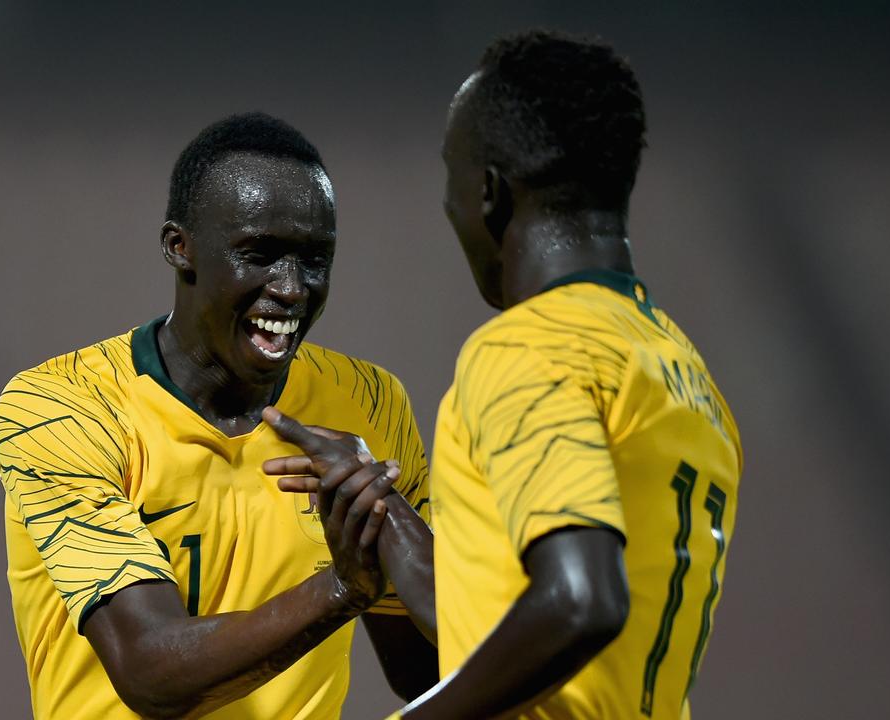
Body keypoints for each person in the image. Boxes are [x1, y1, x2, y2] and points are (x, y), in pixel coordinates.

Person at [264, 30, 743, 719]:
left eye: (449, 175)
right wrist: (383, 507)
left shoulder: (529, 350)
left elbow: (581, 603)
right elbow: (504, 631)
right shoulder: (678, 370)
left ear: (488, 192)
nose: (446, 205)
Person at [0, 112, 437, 720]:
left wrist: (395, 525)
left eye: (315, 258)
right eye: (259, 255)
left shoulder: (371, 402)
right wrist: (342, 589)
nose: (291, 289)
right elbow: (151, 673)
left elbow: (428, 671)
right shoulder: (61, 407)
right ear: (181, 249)